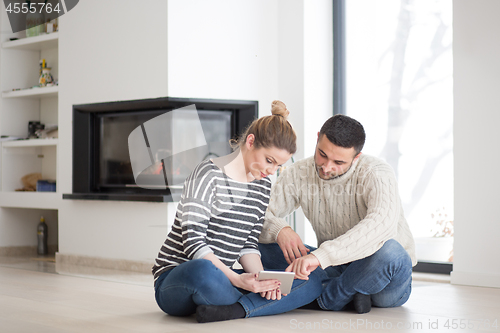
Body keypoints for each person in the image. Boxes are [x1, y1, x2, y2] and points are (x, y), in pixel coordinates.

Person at [152, 101, 323, 323]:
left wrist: (262, 279)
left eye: (277, 166)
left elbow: (248, 243)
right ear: (250, 141)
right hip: (181, 277)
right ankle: (260, 304)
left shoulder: (262, 187)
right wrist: (239, 281)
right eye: (269, 161)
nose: (271, 171)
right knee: (203, 271)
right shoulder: (207, 174)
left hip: (225, 277)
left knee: (313, 279)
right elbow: (193, 243)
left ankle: (236, 308)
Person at [258, 114, 417, 314]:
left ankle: (323, 299)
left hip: (381, 276)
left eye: (339, 162)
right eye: (322, 154)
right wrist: (280, 229)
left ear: (356, 157)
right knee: (258, 242)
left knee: (392, 252)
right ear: (317, 138)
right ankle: (350, 292)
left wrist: (320, 256)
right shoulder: (297, 173)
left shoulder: (377, 173)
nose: (327, 167)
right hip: (335, 267)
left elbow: (380, 226)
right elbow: (257, 215)